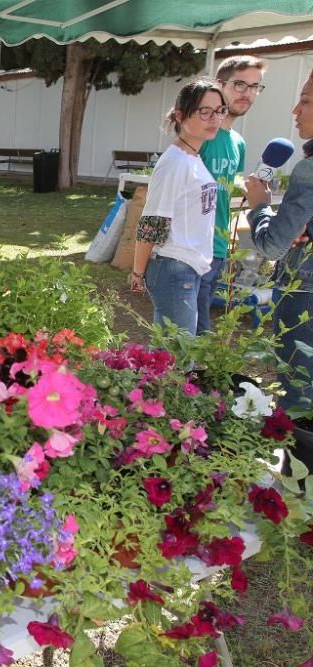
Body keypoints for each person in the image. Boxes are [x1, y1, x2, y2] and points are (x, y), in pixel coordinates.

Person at [245, 68, 313, 437]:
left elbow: (273, 243)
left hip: (303, 298)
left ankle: (298, 486)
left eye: (305, 101)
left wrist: (261, 206)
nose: (295, 110)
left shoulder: (309, 168)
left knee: (300, 399)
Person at [130, 79, 226, 335]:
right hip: (174, 266)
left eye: (219, 111)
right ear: (181, 116)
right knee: (176, 357)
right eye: (205, 111)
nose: (214, 118)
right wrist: (138, 272)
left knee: (175, 355)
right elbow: (152, 222)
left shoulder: (193, 158)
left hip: (189, 266)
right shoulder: (174, 162)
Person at [196, 56, 268, 333]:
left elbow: (227, 194)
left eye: (255, 87)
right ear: (219, 85)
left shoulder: (238, 143)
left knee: (199, 333)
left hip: (218, 248)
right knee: (192, 332)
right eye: (239, 84)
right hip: (192, 248)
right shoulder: (200, 135)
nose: (247, 93)